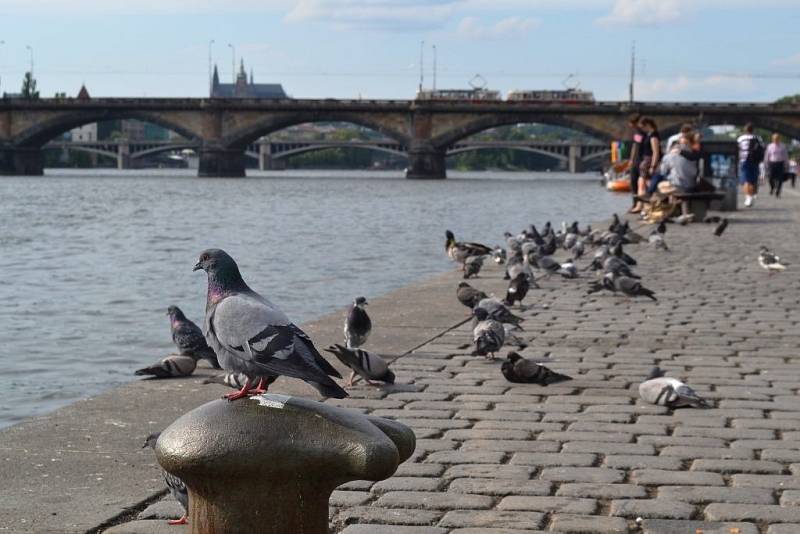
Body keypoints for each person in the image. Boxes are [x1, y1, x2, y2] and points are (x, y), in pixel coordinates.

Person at [632, 118, 661, 213]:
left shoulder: (653, 136)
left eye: (642, 126)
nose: (642, 129)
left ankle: (641, 205)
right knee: (644, 183)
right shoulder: (646, 134)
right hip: (645, 160)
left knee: (642, 183)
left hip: (648, 161)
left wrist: (653, 166)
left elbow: (655, 152)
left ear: (647, 125)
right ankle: (642, 205)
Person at [737, 123, 764, 207]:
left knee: (746, 180)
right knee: (752, 180)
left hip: (744, 160)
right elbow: (763, 148)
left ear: (745, 130)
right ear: (753, 130)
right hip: (755, 161)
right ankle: (750, 196)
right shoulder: (758, 138)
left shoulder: (741, 138)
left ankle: (748, 197)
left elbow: (736, 149)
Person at [626, 115, 644, 213]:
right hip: (638, 160)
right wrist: (631, 159)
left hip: (638, 160)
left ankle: (636, 204)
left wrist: (632, 160)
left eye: (631, 123)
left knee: (634, 183)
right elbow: (635, 146)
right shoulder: (640, 133)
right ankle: (637, 204)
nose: (629, 125)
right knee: (635, 183)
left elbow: (635, 147)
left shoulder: (639, 133)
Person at [764, 133, 788, 197]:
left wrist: (786, 164)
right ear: (772, 139)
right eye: (774, 139)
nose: (776, 140)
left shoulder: (783, 146)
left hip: (780, 163)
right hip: (772, 163)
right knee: (770, 178)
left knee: (780, 178)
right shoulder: (770, 146)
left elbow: (785, 156)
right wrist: (766, 163)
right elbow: (767, 155)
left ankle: (778, 190)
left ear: (779, 139)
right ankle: (772, 187)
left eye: (777, 138)